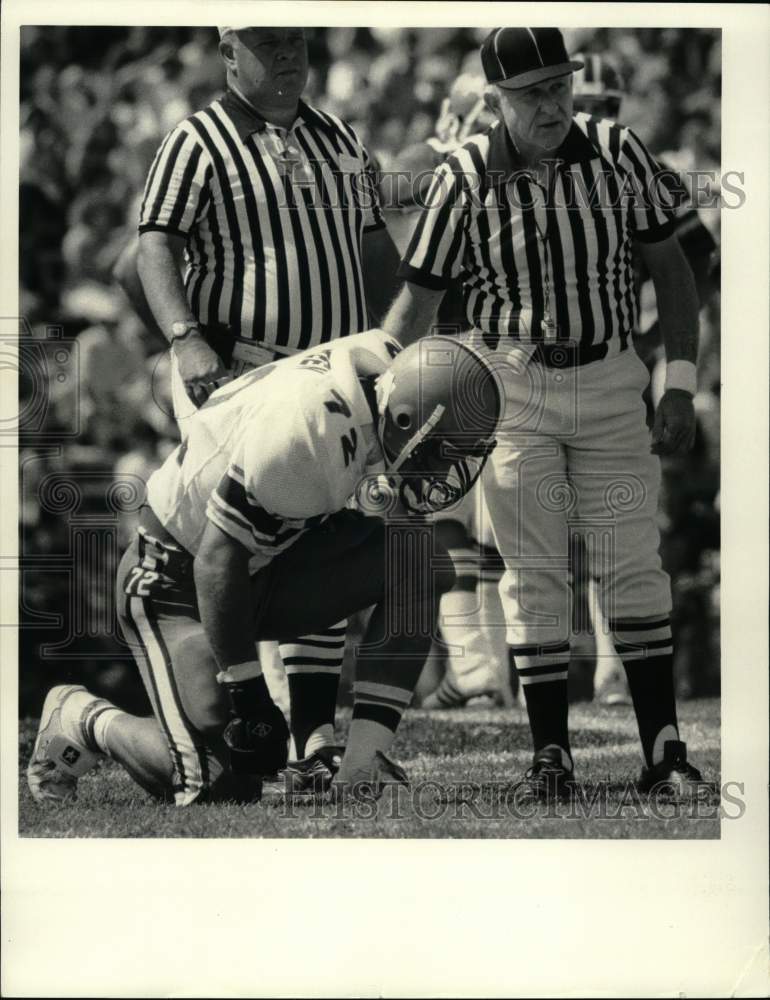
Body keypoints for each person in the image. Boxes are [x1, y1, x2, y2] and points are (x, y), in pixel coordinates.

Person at [384, 27, 708, 800]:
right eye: (532, 93)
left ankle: (663, 750)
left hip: (608, 378)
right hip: (512, 385)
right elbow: (416, 305)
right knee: (532, 575)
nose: (553, 104)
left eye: (559, 86)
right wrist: (380, 404)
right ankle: (549, 757)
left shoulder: (616, 150)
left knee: (633, 561)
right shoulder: (461, 175)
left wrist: (681, 383)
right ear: (494, 100)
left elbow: (674, 268)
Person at [27, 330, 501, 806]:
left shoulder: (391, 385)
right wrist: (249, 696)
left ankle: (361, 764)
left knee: (419, 561)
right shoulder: (310, 430)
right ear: (404, 419)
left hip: (261, 562)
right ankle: (85, 717)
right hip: (174, 576)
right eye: (442, 453)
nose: (445, 472)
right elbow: (216, 562)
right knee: (220, 782)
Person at [116, 26, 402, 779]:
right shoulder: (198, 139)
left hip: (332, 379)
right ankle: (246, 703)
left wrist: (390, 341)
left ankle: (311, 734)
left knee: (339, 532)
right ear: (229, 51)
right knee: (256, 537)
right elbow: (150, 247)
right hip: (242, 376)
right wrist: (184, 337)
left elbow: (373, 248)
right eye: (266, 42)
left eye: (295, 40)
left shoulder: (340, 135)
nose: (286, 55)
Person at [569, 51, 719, 707]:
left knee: (619, 516)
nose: (593, 117)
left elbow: (699, 264)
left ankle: (611, 668)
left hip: (618, 359)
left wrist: (657, 344)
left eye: (605, 107)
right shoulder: (524, 171)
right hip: (542, 365)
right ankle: (500, 674)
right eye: (585, 105)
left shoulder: (641, 170)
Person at [382, 74, 510, 711]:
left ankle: (478, 673)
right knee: (465, 524)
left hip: (462, 358)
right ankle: (478, 672)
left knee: (463, 525)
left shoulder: (434, 168)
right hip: (471, 356)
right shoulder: (443, 169)